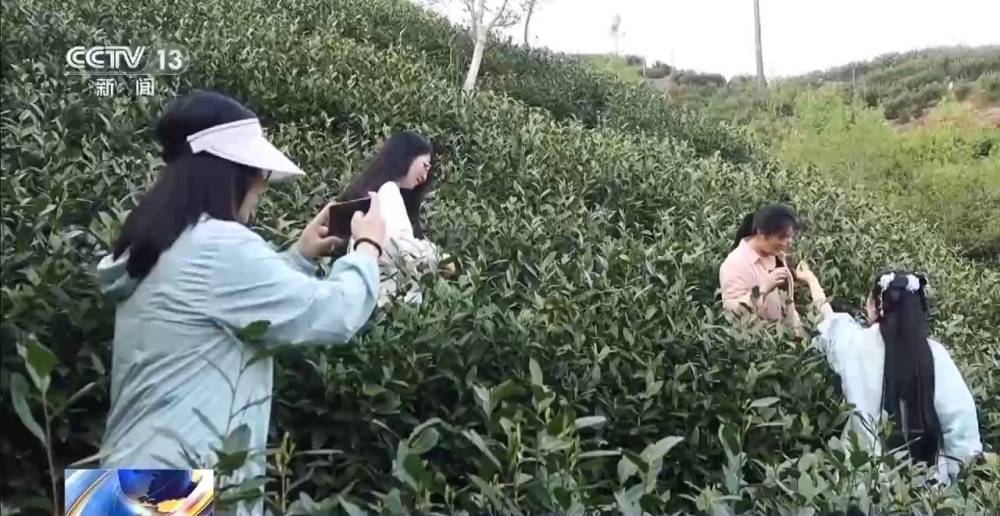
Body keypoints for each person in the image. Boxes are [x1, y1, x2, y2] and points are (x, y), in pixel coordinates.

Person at [95, 89, 387, 515]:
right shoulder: (218, 246)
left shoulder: (165, 242)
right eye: (258, 173)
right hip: (176, 485)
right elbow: (334, 312)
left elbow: (225, 307)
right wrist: (367, 248)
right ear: (232, 174)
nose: (261, 185)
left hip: (128, 479)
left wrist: (299, 257)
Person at [795, 262, 982, 484]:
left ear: (876, 307)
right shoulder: (935, 355)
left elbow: (829, 317)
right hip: (927, 489)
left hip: (860, 484)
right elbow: (959, 424)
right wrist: (961, 479)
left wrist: (810, 280)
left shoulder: (854, 344)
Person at [336, 130, 454, 306]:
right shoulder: (389, 191)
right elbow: (401, 246)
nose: (425, 174)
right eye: (425, 165)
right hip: (389, 302)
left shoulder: (376, 194)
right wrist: (440, 258)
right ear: (407, 157)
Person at [719, 204, 802, 330]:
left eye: (790, 237)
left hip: (787, 334)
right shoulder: (735, 264)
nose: (787, 242)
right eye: (781, 237)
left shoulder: (777, 256)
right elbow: (733, 313)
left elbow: (790, 306)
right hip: (761, 339)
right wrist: (762, 290)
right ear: (760, 232)